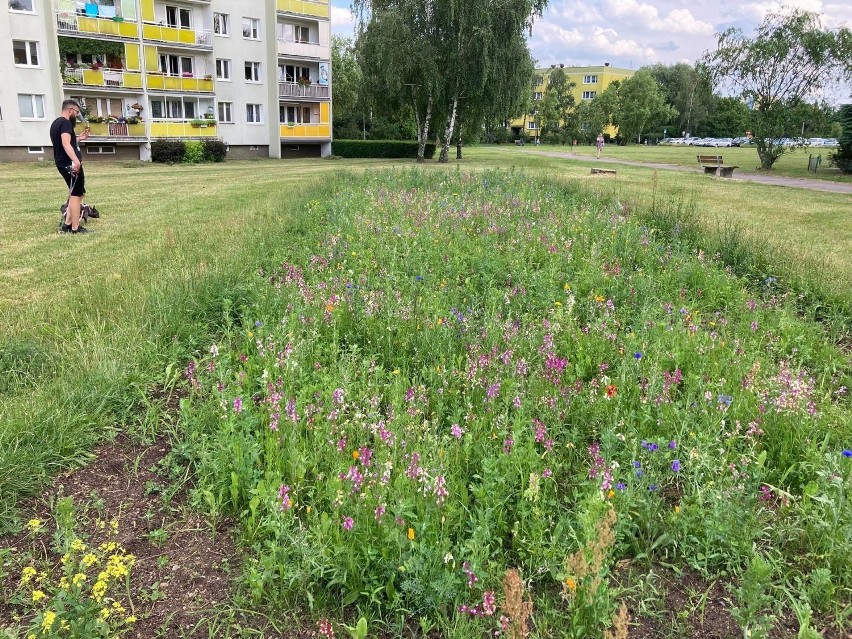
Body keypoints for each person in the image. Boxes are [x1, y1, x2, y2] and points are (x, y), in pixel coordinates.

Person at [50, 99, 90, 234]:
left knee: (77, 193)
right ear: (70, 110)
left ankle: (67, 224)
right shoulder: (66, 123)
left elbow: (66, 142)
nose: (77, 115)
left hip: (62, 162)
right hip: (70, 164)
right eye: (77, 112)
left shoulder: (56, 123)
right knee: (76, 194)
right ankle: (75, 228)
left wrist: (78, 138)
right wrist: (76, 162)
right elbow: (66, 144)